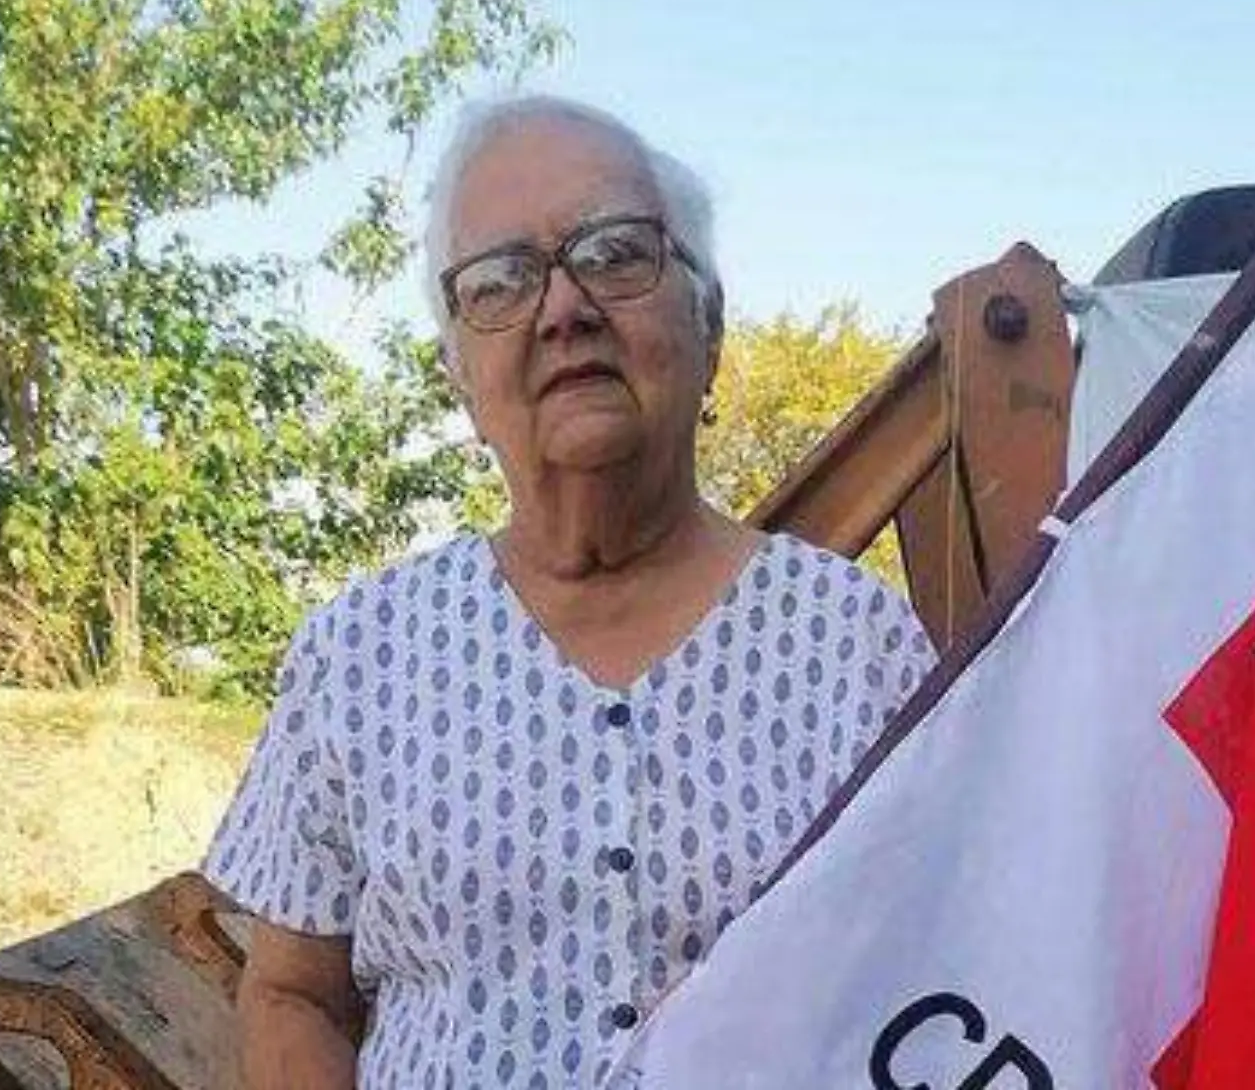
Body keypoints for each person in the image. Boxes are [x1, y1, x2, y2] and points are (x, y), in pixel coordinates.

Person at [202, 95, 937, 1089]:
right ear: (461, 375)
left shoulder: (859, 646)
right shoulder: (361, 651)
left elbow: (947, 965)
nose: (563, 309)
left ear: (708, 323)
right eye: (500, 281)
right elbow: (290, 989)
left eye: (616, 252)